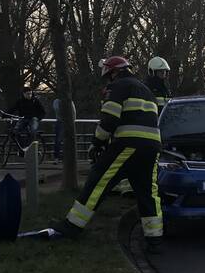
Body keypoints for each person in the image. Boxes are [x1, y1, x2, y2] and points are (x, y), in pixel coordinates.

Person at [49, 56, 164, 253]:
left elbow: (109, 119)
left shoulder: (118, 87)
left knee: (98, 181)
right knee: (148, 193)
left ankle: (72, 226)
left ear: (113, 73)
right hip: (152, 148)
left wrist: (97, 143)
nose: (107, 82)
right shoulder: (146, 91)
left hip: (128, 144)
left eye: (108, 77)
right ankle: (154, 240)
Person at [51, 97, 63, 162]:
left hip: (61, 122)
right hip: (61, 122)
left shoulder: (56, 102)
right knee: (58, 140)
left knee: (58, 140)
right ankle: (57, 157)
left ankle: (57, 157)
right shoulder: (57, 101)